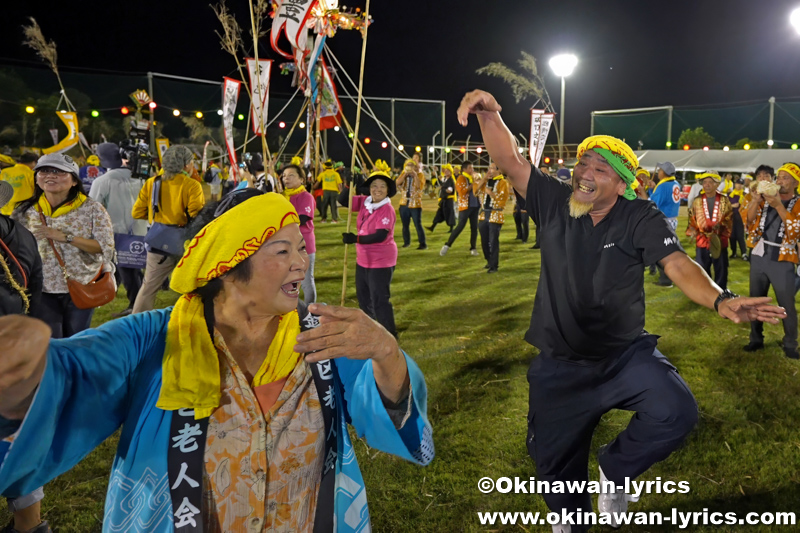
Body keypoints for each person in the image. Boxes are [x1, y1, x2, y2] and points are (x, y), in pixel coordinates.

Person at [0, 190, 433, 532]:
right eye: (282, 252)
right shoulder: (152, 338)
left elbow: (388, 407)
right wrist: (25, 371)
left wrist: (385, 351)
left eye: (301, 247)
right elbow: (75, 372)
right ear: (227, 265)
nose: (301, 263)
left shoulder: (321, 334)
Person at [457, 90, 786, 533]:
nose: (585, 173)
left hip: (622, 357)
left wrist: (721, 298)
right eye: (583, 164)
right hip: (560, 366)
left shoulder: (639, 216)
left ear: (621, 183)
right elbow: (512, 161)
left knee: (676, 411)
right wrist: (490, 115)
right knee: (555, 467)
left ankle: (615, 468)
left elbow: (677, 263)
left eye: (600, 169)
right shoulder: (554, 202)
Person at [13, 153, 115, 339]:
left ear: (74, 181)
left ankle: (78, 369)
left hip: (82, 285)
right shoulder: (24, 211)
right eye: (43, 171)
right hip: (41, 289)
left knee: (77, 340)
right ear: (36, 178)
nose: (50, 175)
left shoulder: (93, 209)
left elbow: (105, 247)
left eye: (58, 171)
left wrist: (66, 237)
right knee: (51, 342)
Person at [0, 180, 49, 533]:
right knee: (18, 437)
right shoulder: (21, 234)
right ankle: (29, 526)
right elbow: (37, 288)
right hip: (15, 348)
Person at [131, 145, 205, 314]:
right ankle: (189, 320)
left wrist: (159, 219)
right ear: (186, 165)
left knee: (148, 287)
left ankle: (136, 324)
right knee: (191, 287)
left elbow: (137, 212)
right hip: (187, 244)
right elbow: (197, 215)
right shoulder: (192, 185)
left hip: (158, 243)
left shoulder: (152, 183)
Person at [743, 163, 800, 359]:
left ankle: (791, 343)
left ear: (795, 182)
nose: (780, 181)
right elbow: (749, 221)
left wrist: (777, 205)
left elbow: (795, 232)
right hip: (760, 253)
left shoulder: (798, 202)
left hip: (782, 258)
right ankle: (756, 338)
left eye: (785, 178)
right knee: (755, 299)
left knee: (786, 303)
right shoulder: (766, 199)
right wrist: (754, 201)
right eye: (779, 177)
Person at [89, 142, 148, 318]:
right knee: (131, 268)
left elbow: (93, 207)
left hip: (116, 231)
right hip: (142, 229)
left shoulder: (103, 181)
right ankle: (127, 299)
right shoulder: (139, 176)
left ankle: (134, 305)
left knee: (126, 268)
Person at [341, 163, 399, 336]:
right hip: (363, 260)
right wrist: (347, 184)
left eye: (382, 186)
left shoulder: (387, 209)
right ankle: (371, 332)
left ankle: (390, 335)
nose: (377, 189)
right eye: (374, 186)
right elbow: (344, 201)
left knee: (380, 300)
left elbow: (380, 235)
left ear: (388, 190)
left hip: (381, 261)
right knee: (364, 299)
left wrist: (355, 239)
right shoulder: (365, 202)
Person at [686, 172, 733, 290]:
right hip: (702, 239)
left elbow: (729, 218)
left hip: (719, 239)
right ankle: (705, 292)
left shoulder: (723, 199)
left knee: (721, 268)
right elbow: (692, 218)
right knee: (702, 268)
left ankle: (721, 291)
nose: (707, 185)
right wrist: (692, 230)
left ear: (717, 184)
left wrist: (721, 230)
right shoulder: (697, 201)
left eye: (710, 182)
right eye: (705, 182)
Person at [282, 163, 317, 304]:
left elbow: (302, 219)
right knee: (288, 279)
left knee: (306, 281)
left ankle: (311, 311)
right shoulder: (282, 197)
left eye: (291, 175)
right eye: (284, 176)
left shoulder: (306, 196)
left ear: (302, 179)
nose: (286, 179)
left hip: (304, 245)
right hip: (287, 245)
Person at [649, 161, 681, 287]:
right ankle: (666, 277)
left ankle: (666, 279)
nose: (658, 172)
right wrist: (653, 189)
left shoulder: (663, 186)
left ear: (664, 173)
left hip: (664, 219)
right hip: (672, 219)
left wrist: (646, 192)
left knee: (662, 252)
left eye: (660, 170)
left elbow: (653, 203)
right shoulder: (674, 183)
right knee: (666, 250)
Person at [476, 162, 510, 273]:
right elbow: (476, 192)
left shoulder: (503, 182)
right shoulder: (486, 181)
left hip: (495, 214)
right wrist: (483, 179)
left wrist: (490, 193)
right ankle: (489, 261)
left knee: (493, 241)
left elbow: (501, 201)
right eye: (489, 168)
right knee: (484, 240)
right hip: (483, 213)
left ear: (499, 171)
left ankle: (494, 265)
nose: (490, 170)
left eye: (492, 168)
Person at [440, 161, 480, 256]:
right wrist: (473, 184)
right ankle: (447, 245)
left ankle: (473, 248)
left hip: (475, 206)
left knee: (474, 228)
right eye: (470, 168)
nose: (472, 170)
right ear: (464, 169)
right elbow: (462, 192)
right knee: (460, 226)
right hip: (465, 206)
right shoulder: (461, 178)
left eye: (472, 167)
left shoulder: (473, 178)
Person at [397, 159, 427, 249]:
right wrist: (405, 175)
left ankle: (422, 244)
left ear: (415, 167)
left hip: (415, 204)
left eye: (411, 165)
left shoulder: (420, 175)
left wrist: (415, 176)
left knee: (417, 224)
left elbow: (419, 186)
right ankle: (406, 242)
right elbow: (397, 183)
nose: (409, 167)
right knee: (405, 225)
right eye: (408, 165)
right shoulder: (403, 174)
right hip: (404, 203)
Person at [428, 164, 457, 233]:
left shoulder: (451, 180)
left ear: (450, 172)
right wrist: (436, 172)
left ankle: (451, 229)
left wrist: (443, 188)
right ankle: (432, 227)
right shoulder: (445, 179)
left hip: (448, 200)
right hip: (443, 200)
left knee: (450, 213)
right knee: (439, 213)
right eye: (446, 171)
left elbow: (449, 190)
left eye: (448, 171)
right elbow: (440, 182)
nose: (446, 172)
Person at [728, 178, 747, 260]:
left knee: (740, 235)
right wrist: (732, 206)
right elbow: (725, 206)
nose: (739, 185)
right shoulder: (730, 195)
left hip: (740, 217)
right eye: (738, 184)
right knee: (732, 236)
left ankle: (744, 253)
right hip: (731, 217)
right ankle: (734, 252)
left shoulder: (745, 195)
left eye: (741, 184)